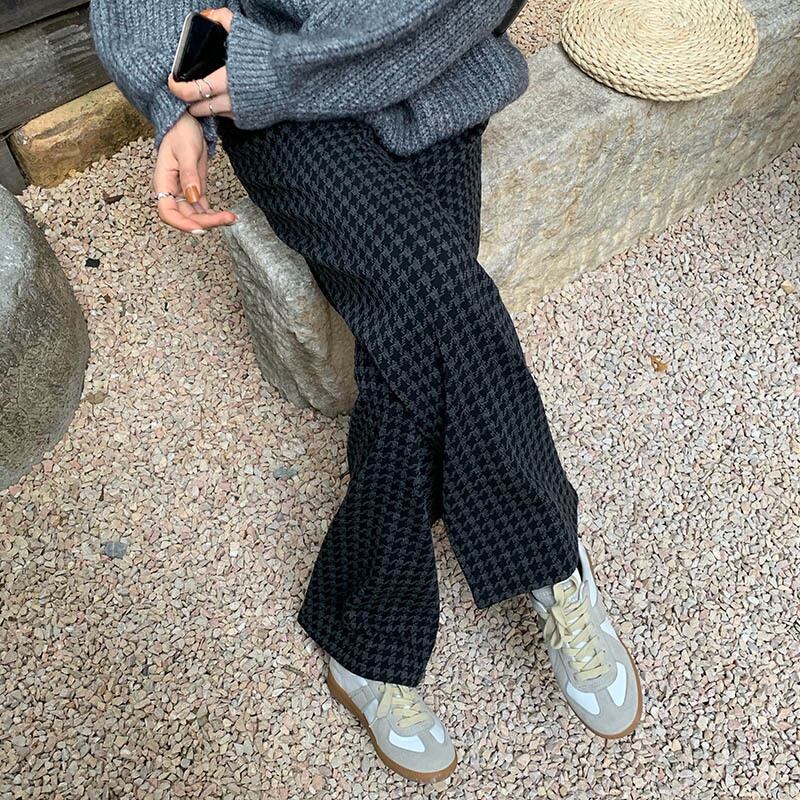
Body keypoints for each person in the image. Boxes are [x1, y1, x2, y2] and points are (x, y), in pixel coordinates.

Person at [89, 0, 643, 783]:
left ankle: (369, 638)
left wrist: (278, 69)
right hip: (276, 106)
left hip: (432, 70)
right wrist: (174, 95)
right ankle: (550, 548)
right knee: (446, 295)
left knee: (422, 325)